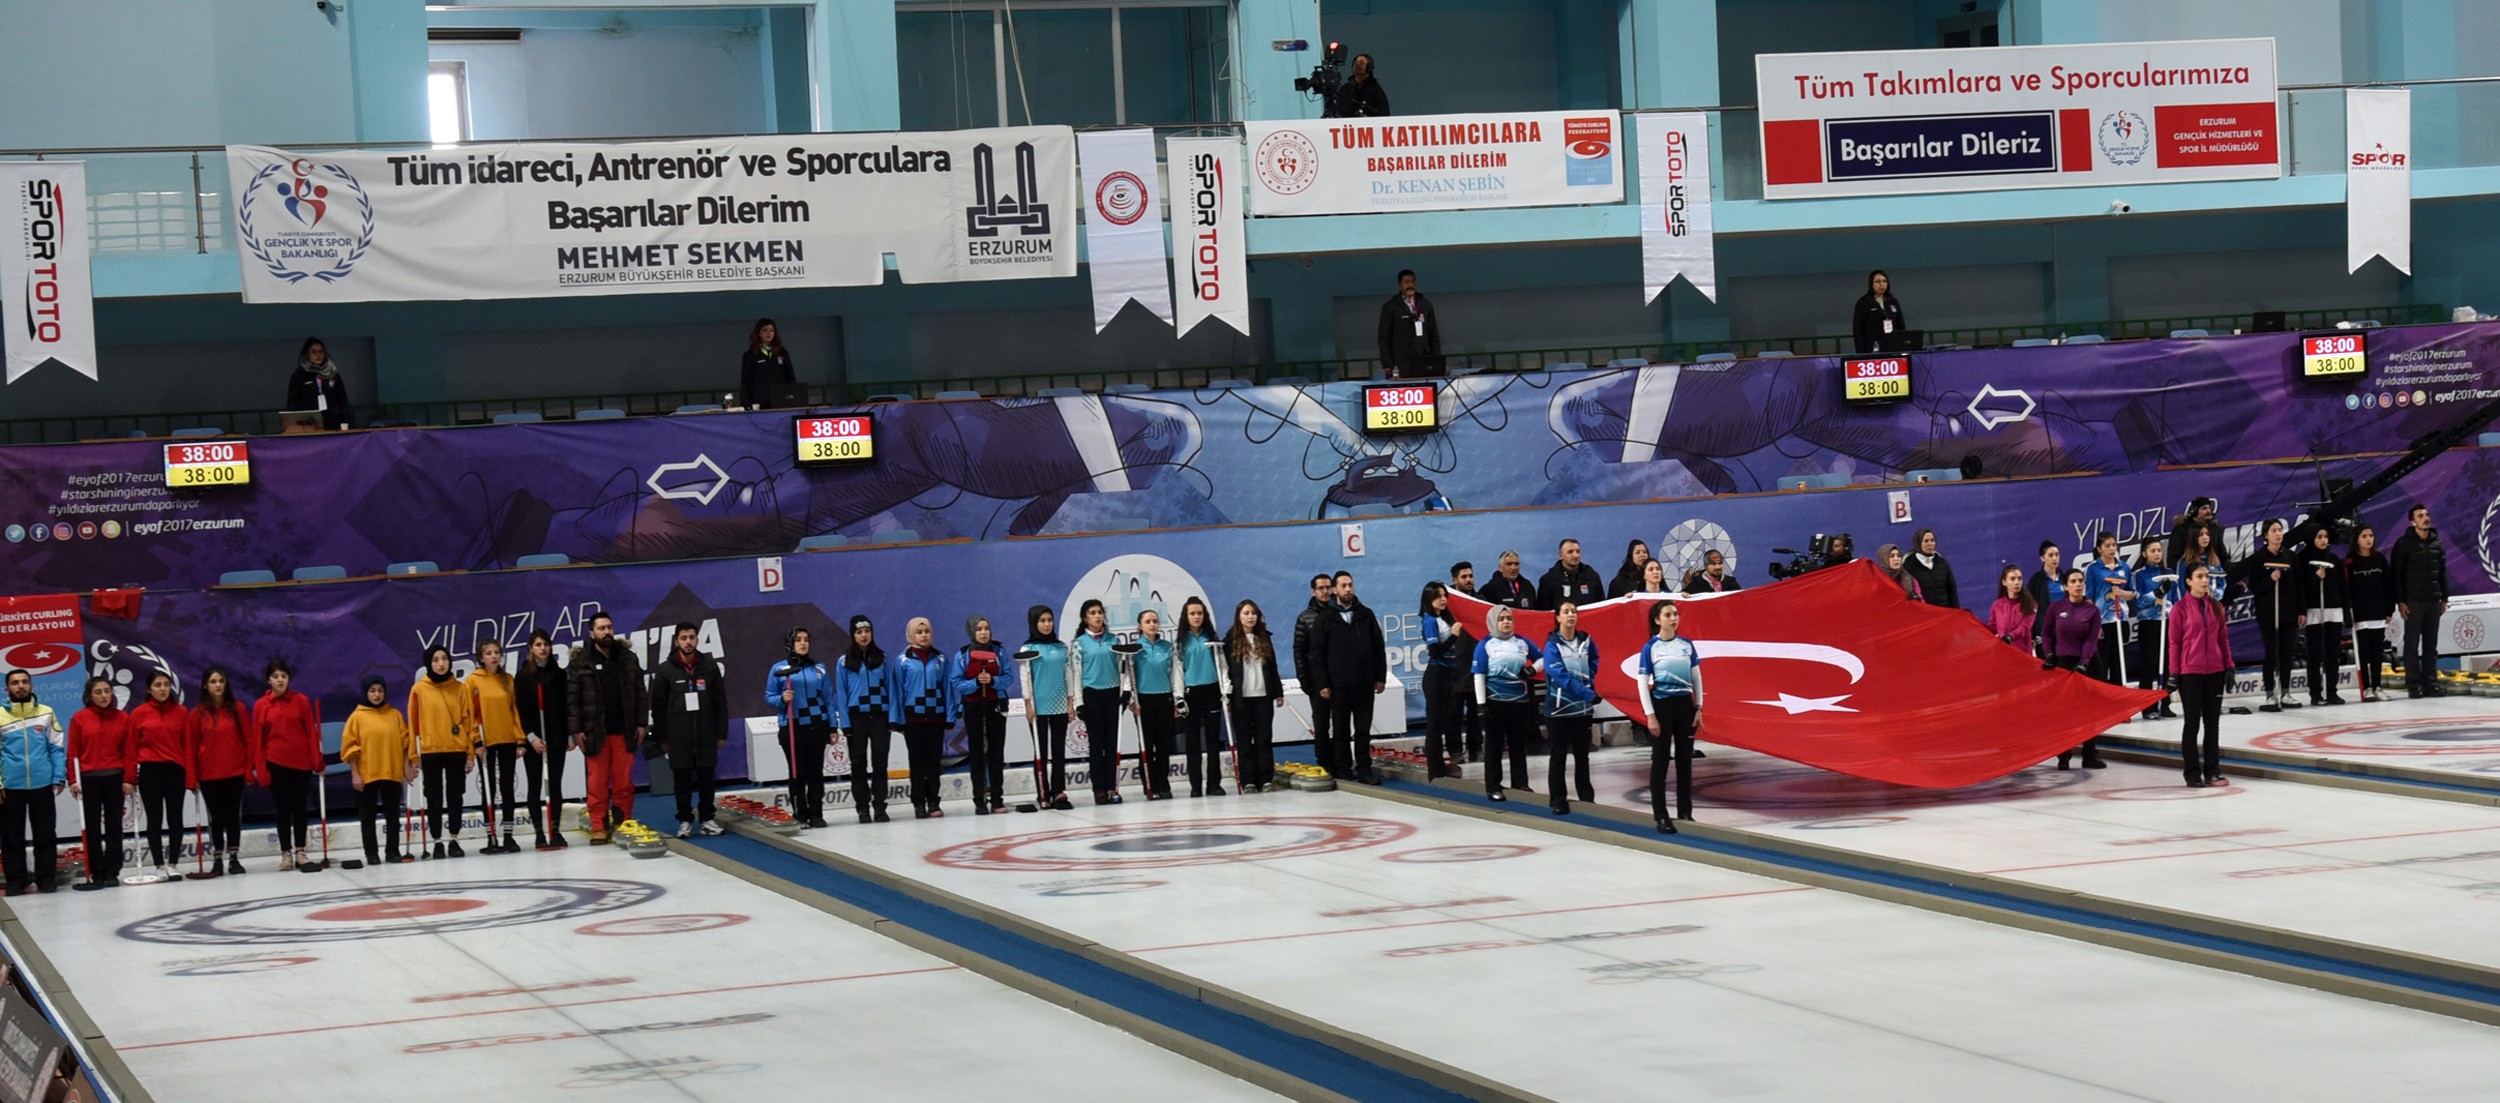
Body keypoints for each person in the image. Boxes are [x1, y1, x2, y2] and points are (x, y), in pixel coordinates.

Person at [567, 612, 646, 844]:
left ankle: (623, 822)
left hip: (625, 731)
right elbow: (572, 700)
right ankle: (598, 826)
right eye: (601, 628)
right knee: (597, 783)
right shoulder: (580, 662)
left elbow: (641, 693)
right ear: (592, 633)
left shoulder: (628, 658)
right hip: (594, 733)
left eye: (609, 627)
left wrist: (641, 723)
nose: (606, 632)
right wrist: (576, 730)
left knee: (623, 783)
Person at [647, 623, 727, 836]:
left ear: (697, 640)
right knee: (681, 781)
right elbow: (658, 707)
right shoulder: (665, 670)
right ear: (676, 642)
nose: (688, 642)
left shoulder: (710, 667)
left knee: (707, 779)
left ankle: (708, 819)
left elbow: (721, 703)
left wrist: (721, 733)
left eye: (692, 637)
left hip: (706, 733)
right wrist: (663, 737)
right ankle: (685, 821)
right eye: (684, 638)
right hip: (677, 736)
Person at [1310, 571, 1388, 785]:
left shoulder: (1366, 614)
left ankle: (1365, 770)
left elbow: (1378, 647)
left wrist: (1380, 676)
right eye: (1343, 586)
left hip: (1364, 683)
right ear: (1334, 590)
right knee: (1341, 730)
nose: (1348, 589)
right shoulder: (1325, 618)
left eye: (1350, 585)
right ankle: (1343, 769)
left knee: (1363, 730)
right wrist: (1322, 683)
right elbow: (1316, 654)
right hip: (1339, 685)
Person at [2168, 563, 2235, 788]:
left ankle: (2213, 770)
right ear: (2188, 581)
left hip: (2214, 671)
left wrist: (2229, 665)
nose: (2205, 580)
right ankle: (2192, 772)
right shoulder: (2180, 609)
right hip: (2191, 673)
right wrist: (2174, 673)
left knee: (2212, 724)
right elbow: (2174, 643)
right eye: (2199, 577)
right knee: (2192, 724)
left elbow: (2223, 638)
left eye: (2206, 576)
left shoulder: (2216, 606)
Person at [1638, 601, 1702, 834]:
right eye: (1667, 615)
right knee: (1661, 761)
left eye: (1675, 614)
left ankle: (1685, 812)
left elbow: (1697, 678)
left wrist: (1699, 708)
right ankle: (1661, 815)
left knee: (1685, 760)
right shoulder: (1650, 648)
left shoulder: (1687, 645)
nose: (1673, 618)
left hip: (1685, 707)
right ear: (1657, 620)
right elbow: (1642, 683)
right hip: (1662, 707)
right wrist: (1650, 716)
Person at [0, 670, 65, 894]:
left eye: (25, 682)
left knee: (46, 835)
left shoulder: (46, 713)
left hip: (42, 785)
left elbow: (56, 748)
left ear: (31, 685)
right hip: (10, 788)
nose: (21, 686)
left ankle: (46, 879)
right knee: (11, 838)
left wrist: (58, 776)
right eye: (15, 683)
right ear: (7, 688)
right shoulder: (0, 714)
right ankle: (16, 881)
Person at [408, 646, 476, 859]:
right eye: (436, 660)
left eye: (444, 659)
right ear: (429, 663)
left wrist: (470, 753)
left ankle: (454, 839)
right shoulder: (419, 690)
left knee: (456, 795)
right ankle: (437, 840)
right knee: (434, 797)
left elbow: (469, 720)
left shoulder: (460, 688)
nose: (441, 664)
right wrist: (413, 754)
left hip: (456, 748)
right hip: (430, 750)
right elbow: (413, 723)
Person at [186, 668, 255, 876]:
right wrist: (192, 777)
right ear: (205, 685)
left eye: (221, 681)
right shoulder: (197, 714)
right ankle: (217, 858)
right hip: (209, 775)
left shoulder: (238, 709)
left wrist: (248, 769)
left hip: (234, 772)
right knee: (216, 818)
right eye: (213, 681)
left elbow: (249, 741)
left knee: (233, 816)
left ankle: (234, 857)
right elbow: (191, 746)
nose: (217, 685)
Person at [255, 658, 323, 868]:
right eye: (275, 677)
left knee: (300, 808)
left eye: (283, 676)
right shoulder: (261, 706)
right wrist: (261, 770)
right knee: (282, 809)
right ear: (269, 680)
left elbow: (311, 734)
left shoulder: (301, 701)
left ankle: (301, 850)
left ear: (289, 679)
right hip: (276, 763)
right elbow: (258, 740)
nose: (280, 680)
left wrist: (316, 760)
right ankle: (286, 853)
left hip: (301, 764)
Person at [341, 675, 414, 866]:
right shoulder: (357, 717)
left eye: (380, 690)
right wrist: (355, 774)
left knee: (392, 815)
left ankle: (392, 851)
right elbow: (350, 748)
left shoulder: (395, 715)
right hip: (367, 774)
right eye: (372, 690)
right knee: (368, 817)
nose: (376, 694)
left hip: (391, 772)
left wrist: (406, 767)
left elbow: (405, 743)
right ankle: (371, 853)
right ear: (366, 692)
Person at [66, 678, 132, 887]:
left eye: (107, 691)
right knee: (92, 828)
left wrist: (129, 778)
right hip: (89, 779)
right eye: (98, 692)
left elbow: (129, 751)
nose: (104, 695)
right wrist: (73, 779)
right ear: (89, 695)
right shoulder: (79, 718)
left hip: (114, 778)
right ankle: (97, 873)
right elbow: (73, 752)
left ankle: (112, 872)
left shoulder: (122, 718)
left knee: (114, 827)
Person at [768, 627, 837, 827]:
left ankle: (817, 813)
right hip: (792, 725)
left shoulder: (819, 668)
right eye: (798, 640)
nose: (803, 643)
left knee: (816, 772)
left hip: (817, 723)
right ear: (790, 643)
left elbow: (828, 699)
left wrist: (832, 727)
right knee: (797, 771)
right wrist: (782, 698)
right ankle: (800, 812)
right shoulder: (779, 669)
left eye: (806, 639)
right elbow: (769, 695)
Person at [465, 640, 527, 853]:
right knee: (489, 790)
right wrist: (476, 741)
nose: (493, 656)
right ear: (481, 658)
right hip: (486, 743)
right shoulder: (473, 681)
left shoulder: (507, 679)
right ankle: (491, 836)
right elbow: (469, 715)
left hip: (507, 739)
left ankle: (508, 836)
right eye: (488, 653)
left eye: (496, 652)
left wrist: (520, 739)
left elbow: (514, 710)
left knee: (508, 788)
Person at [949, 617, 1016, 814]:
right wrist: (976, 683)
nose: (984, 632)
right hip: (973, 707)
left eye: (987, 628)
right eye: (979, 629)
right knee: (977, 754)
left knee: (996, 753)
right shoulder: (962, 655)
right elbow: (957, 682)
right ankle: (979, 799)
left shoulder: (999, 651)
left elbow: (1008, 677)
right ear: (972, 632)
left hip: (995, 706)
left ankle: (997, 798)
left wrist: (993, 680)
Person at [835, 615, 898, 821]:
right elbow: (841, 694)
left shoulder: (883, 658)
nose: (864, 636)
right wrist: (845, 723)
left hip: (880, 716)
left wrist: (893, 718)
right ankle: (862, 807)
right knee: (858, 762)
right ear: (853, 635)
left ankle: (880, 805)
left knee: (880, 761)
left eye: (867, 631)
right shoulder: (844, 662)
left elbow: (892, 689)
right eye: (859, 632)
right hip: (856, 718)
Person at [1472, 606, 1538, 801]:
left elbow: (1542, 658)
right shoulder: (1485, 644)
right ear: (1493, 622)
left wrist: (1532, 670)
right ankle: (1493, 786)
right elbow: (1479, 675)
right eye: (1501, 619)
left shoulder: (1522, 642)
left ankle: (1520, 783)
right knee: (1494, 745)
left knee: (1518, 743)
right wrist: (1481, 705)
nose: (1506, 622)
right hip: (1495, 702)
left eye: (1509, 618)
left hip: (1519, 701)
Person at [2236, 520, 2303, 711]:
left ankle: (2286, 692)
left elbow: (2299, 585)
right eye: (2273, 531)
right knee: (2271, 653)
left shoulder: (2290, 556)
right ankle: (2270, 694)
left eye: (2280, 530)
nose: (2278, 534)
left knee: (2287, 653)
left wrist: (2301, 610)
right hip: (2268, 613)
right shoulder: (2258, 558)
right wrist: (2269, 579)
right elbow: (2255, 587)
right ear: (2266, 535)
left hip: (2288, 612)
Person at [894, 617, 958, 817]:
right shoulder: (902, 659)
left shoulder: (940, 659)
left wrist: (950, 716)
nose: (923, 636)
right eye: (919, 632)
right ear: (912, 634)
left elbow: (947, 689)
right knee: (917, 762)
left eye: (927, 632)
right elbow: (897, 691)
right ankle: (918, 803)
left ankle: (933, 802)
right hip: (913, 719)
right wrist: (898, 720)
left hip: (936, 718)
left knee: (933, 762)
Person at [512, 631, 570, 849]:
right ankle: (539, 833)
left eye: (546, 644)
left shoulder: (559, 674)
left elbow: (565, 707)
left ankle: (555, 830)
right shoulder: (524, 675)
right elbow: (521, 710)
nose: (543, 648)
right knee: (535, 785)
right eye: (538, 645)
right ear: (530, 648)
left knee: (555, 784)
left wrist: (569, 735)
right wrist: (532, 737)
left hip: (556, 737)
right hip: (534, 740)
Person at [2044, 569, 2106, 769]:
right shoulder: (2056, 608)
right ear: (2065, 586)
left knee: (2090, 711)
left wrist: (2084, 662)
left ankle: (2090, 755)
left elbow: (2091, 638)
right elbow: (2044, 634)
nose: (2078, 585)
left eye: (2081, 581)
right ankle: (2063, 755)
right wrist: (2049, 654)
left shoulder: (2092, 610)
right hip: (2064, 663)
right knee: (2065, 712)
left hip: (2088, 663)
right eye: (2073, 581)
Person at [130, 671, 190, 878]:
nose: (163, 689)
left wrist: (191, 775)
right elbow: (131, 748)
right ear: (149, 689)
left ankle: (173, 863)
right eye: (158, 685)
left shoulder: (181, 712)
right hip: (150, 771)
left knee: (176, 818)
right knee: (154, 819)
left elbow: (187, 746)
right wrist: (129, 778)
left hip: (175, 771)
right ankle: (158, 865)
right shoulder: (139, 714)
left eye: (166, 684)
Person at [1542, 602, 1599, 816]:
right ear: (1557, 617)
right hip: (1558, 710)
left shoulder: (1586, 640)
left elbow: (1595, 657)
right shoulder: (1552, 646)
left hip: (1582, 711)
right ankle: (1557, 799)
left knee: (1582, 756)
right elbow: (1560, 677)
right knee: (1558, 756)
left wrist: (1589, 678)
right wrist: (1587, 693)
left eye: (1573, 611)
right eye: (1565, 612)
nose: (1570, 615)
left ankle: (1586, 797)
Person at [1069, 601, 1127, 803]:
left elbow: (1124, 667)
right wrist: (1078, 703)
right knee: (1097, 744)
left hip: (1112, 694)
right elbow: (1076, 674)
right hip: (1092, 694)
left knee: (1112, 743)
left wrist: (1125, 691)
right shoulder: (1079, 643)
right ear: (1085, 618)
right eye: (1092, 613)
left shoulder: (1114, 639)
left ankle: (1112, 786)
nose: (1097, 616)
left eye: (1100, 612)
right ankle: (1099, 788)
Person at [1222, 600, 1284, 792]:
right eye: (1246, 613)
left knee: (1264, 738)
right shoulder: (1230, 640)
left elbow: (1272, 667)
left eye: (1253, 613)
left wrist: (1278, 692)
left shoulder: (1264, 637)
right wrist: (1228, 697)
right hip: (1241, 699)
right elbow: (1226, 670)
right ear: (1239, 616)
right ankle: (1248, 780)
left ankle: (1266, 778)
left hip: (1263, 696)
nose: (1250, 617)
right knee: (1245, 740)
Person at [1021, 606, 1077, 810]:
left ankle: (1059, 790)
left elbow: (1068, 675)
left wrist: (1071, 703)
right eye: (1042, 621)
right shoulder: (1028, 649)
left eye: (1049, 620)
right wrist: (1028, 704)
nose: (1046, 624)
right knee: (1041, 751)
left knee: (1058, 751)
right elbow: (1025, 678)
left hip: (1060, 704)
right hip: (1038, 707)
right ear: (1034, 623)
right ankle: (1043, 792)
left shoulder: (1061, 647)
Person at [2391, 504, 2449, 698]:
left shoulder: (2436, 542)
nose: (2425, 518)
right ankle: (2413, 685)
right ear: (2412, 521)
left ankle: (2430, 683)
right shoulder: (2404, 543)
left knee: (2431, 645)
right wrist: (2401, 601)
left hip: (2433, 600)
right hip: (2413, 601)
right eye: (2420, 515)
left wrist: (2444, 598)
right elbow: (2396, 575)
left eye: (2426, 514)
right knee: (2411, 645)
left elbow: (2442, 573)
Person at [1172, 598, 1226, 797]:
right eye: (1192, 614)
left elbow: (1222, 665)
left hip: (1211, 691)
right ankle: (1195, 786)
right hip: (1190, 694)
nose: (1196, 617)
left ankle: (1214, 784)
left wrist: (1225, 688)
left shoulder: (1212, 638)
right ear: (1186, 617)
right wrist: (1178, 696)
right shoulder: (1180, 643)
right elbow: (1177, 671)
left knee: (1213, 740)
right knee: (1192, 742)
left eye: (1199, 613)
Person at [1418, 582, 1467, 779]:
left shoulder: (1442, 617)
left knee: (1442, 723)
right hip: (1436, 675)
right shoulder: (1430, 620)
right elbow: (1435, 651)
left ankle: (1440, 765)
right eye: (1438, 596)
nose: (1443, 599)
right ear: (1429, 600)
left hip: (1447, 674)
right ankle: (1434, 769)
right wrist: (1454, 637)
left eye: (1445, 595)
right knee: (1434, 725)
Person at [1129, 609, 1178, 801]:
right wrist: (1132, 701)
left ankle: (1163, 783)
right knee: (1146, 745)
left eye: (1155, 621)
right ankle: (1149, 784)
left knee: (1164, 744)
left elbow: (1174, 673)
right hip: (1144, 701)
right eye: (1148, 621)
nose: (1152, 624)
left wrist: (1176, 699)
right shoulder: (1135, 648)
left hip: (1164, 698)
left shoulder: (1167, 647)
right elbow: (1128, 677)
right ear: (1140, 625)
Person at [2298, 527, 2349, 707]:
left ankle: (2332, 691)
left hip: (2333, 610)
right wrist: (2315, 577)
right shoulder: (2303, 559)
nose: (2323, 540)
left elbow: (2342, 587)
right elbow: (2301, 587)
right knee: (2315, 654)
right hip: (2314, 610)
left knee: (2332, 654)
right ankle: (2315, 693)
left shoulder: (2333, 559)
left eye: (2325, 536)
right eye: (2319, 536)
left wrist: (2345, 610)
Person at [2131, 539, 2181, 719]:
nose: (2157, 554)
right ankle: (2148, 707)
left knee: (2168, 664)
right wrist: (2157, 593)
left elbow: (2177, 599)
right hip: (2149, 624)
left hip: (2167, 623)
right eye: (2152, 550)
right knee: (2149, 665)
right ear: (2144, 553)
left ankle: (2165, 703)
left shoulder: (2169, 574)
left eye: (2159, 550)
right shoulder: (2139, 575)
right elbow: (2138, 601)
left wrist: (2174, 615)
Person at [2346, 526, 2396, 703]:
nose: (2368, 539)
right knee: (2364, 653)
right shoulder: (2350, 562)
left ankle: (2377, 686)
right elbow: (2347, 590)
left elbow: (2388, 586)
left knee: (2377, 653)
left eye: (2371, 535)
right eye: (2364, 536)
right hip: (2360, 615)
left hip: (2378, 613)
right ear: (2357, 539)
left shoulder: (2379, 559)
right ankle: (2366, 687)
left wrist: (2389, 610)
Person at [2080, 533, 2135, 690]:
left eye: (2114, 545)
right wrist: (2095, 624)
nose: (2112, 549)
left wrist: (2121, 593)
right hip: (2103, 622)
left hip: (2121, 620)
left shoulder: (2124, 567)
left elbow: (2131, 594)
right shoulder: (2093, 569)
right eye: (2107, 546)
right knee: (2103, 663)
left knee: (2119, 663)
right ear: (2099, 549)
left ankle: (2121, 705)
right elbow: (2089, 597)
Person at [1290, 574, 1333, 765]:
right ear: (1313, 591)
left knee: (1341, 725)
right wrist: (1304, 680)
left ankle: (1341, 762)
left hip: (1340, 678)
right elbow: (1299, 650)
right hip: (1317, 681)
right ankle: (1324, 762)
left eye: (1328, 587)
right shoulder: (1305, 617)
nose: (1325, 591)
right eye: (1320, 588)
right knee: (1321, 724)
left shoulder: (1338, 612)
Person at [1448, 562, 1484, 762]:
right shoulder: (1447, 603)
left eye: (1471, 576)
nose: (1469, 580)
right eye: (1464, 577)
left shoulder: (1481, 601)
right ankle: (1454, 751)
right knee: (1453, 712)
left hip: (1476, 664)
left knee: (1476, 712)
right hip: (1454, 665)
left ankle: (1476, 748)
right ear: (1454, 580)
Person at [1375, 269, 1440, 378]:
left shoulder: (1425, 305)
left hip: (1423, 358)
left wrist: (1436, 360)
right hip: (1400, 361)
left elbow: (1434, 334)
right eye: (1406, 282)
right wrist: (1387, 363)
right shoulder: (1390, 307)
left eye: (1413, 281)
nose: (1410, 284)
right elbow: (1384, 337)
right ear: (1400, 285)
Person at [286, 337, 351, 430]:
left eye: (321, 351)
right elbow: (292, 403)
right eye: (314, 352)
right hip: (308, 422)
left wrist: (345, 421)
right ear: (307, 354)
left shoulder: (332, 374)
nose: (318, 355)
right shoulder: (298, 376)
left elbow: (342, 399)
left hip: (332, 421)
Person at [739, 318, 797, 409]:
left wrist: (793, 397)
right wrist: (745, 404)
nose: (769, 333)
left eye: (771, 330)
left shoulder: (782, 353)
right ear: (758, 333)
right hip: (759, 400)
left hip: (781, 399)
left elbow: (790, 377)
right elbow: (746, 382)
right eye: (765, 330)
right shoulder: (750, 355)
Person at [2167, 498, 2228, 579]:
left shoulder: (2215, 529)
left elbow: (2223, 556)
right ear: (2194, 511)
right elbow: (2173, 560)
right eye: (2204, 508)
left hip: (2215, 573)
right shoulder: (2181, 531)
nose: (2208, 511)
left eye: (2209, 507)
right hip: (2191, 577)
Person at [1535, 539, 1604, 611]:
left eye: (1578, 551)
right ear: (1560, 555)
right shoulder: (1548, 580)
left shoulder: (1592, 577)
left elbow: (1601, 607)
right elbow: (1544, 612)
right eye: (1570, 552)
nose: (1576, 555)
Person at [1851, 270, 1906, 355]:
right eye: (1878, 281)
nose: (1882, 284)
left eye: (1884, 281)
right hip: (1872, 348)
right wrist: (1861, 353)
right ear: (1871, 284)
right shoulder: (1863, 302)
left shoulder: (1893, 301)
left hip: (1892, 347)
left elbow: (1901, 325)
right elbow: (1858, 330)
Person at [1902, 528, 1959, 608]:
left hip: (1944, 611)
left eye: (1932, 540)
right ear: (1918, 543)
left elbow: (1951, 590)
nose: (1930, 544)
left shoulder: (1942, 563)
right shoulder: (1909, 565)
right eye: (1926, 541)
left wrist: (1956, 611)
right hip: (1923, 613)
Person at [1988, 565, 2035, 649]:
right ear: (2004, 582)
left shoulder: (2031, 604)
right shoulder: (1997, 605)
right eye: (2012, 579)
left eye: (2019, 579)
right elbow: (1992, 628)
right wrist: (1974, 621)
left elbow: (2025, 627)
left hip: (2023, 652)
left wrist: (2011, 636)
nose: (2017, 582)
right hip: (2004, 652)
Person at [1335, 52, 1391, 118]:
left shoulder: (1375, 89)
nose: (1358, 65)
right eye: (1356, 62)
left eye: (1361, 63)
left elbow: (1383, 113)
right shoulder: (1345, 89)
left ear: (1369, 67)